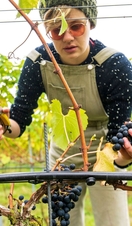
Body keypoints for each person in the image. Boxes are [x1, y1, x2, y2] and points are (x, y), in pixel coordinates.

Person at [0, 0, 132, 225]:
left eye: (76, 26)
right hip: (64, 151)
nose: (68, 37)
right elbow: (18, 122)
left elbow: (117, 135)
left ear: (90, 23)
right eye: (56, 29)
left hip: (105, 150)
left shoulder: (114, 65)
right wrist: (4, 126)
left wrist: (124, 159)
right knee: (62, 219)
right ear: (46, 31)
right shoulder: (38, 62)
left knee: (113, 221)